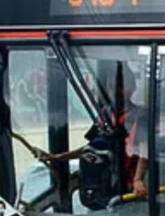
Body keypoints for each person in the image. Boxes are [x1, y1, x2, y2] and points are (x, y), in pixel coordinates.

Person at [40, 63, 149, 198]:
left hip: (130, 187)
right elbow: (92, 148)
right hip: (104, 183)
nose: (116, 90)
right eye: (111, 86)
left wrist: (138, 179)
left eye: (122, 85)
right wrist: (58, 157)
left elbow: (145, 150)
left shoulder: (141, 116)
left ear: (133, 87)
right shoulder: (104, 114)